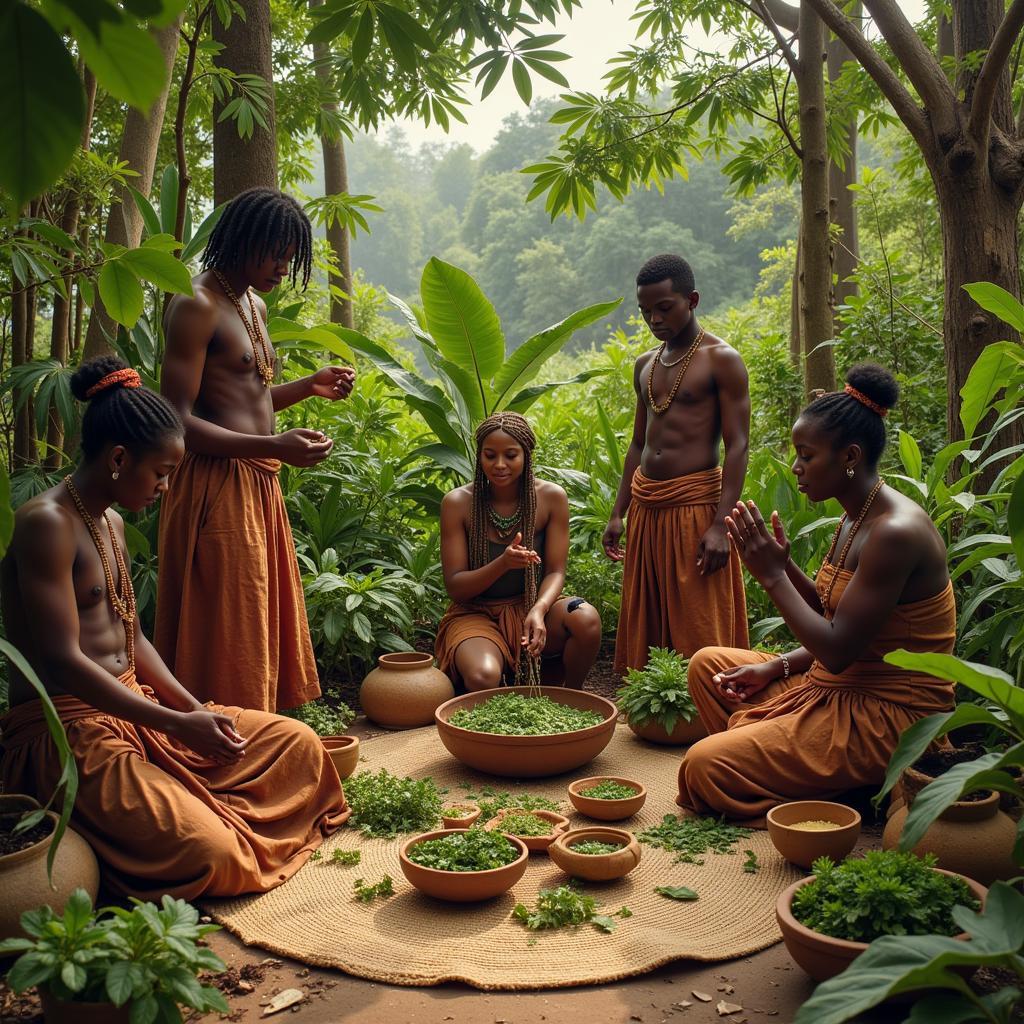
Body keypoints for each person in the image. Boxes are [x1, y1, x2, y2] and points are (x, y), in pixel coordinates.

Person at [0, 357, 348, 900]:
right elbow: (62, 661)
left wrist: (192, 710)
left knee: (299, 744)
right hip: (68, 734)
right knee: (210, 850)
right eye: (161, 473)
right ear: (119, 458)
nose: (167, 486)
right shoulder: (46, 524)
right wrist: (176, 723)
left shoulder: (110, 520)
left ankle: (174, 802)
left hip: (137, 709)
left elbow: (133, 639)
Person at [677, 364, 957, 826]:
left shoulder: (895, 532)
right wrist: (777, 651)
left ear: (849, 456)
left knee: (706, 765)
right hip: (837, 686)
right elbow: (837, 617)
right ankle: (816, 774)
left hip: (890, 716)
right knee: (709, 665)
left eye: (806, 455)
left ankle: (855, 791)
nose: (796, 467)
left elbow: (838, 648)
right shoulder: (855, 513)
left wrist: (772, 577)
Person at [156, 187, 355, 712]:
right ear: (244, 239)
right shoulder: (195, 304)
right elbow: (175, 422)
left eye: (291, 258)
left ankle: (256, 737)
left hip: (258, 482)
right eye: (276, 254)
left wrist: (310, 384)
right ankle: (214, 744)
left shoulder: (253, 304)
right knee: (227, 623)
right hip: (212, 486)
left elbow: (251, 396)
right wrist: (273, 445)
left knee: (256, 622)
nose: (283, 268)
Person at [604, 254, 750, 677]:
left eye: (664, 307)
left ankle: (713, 698)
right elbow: (637, 444)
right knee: (650, 608)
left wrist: (722, 524)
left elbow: (738, 445)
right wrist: (619, 512)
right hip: (648, 504)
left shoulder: (721, 359)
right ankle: (656, 708)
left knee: (699, 612)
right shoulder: (645, 365)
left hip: (695, 505)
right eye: (646, 311)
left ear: (693, 300)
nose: (654, 318)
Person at [435, 412, 602, 691]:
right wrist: (503, 563)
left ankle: (571, 697)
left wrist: (539, 609)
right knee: (483, 676)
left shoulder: (551, 498)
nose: (499, 465)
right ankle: (503, 679)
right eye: (490, 455)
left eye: (510, 455)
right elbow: (456, 587)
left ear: (526, 455)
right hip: (476, 614)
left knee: (584, 618)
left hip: (531, 606)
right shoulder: (458, 504)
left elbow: (556, 571)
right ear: (480, 456)